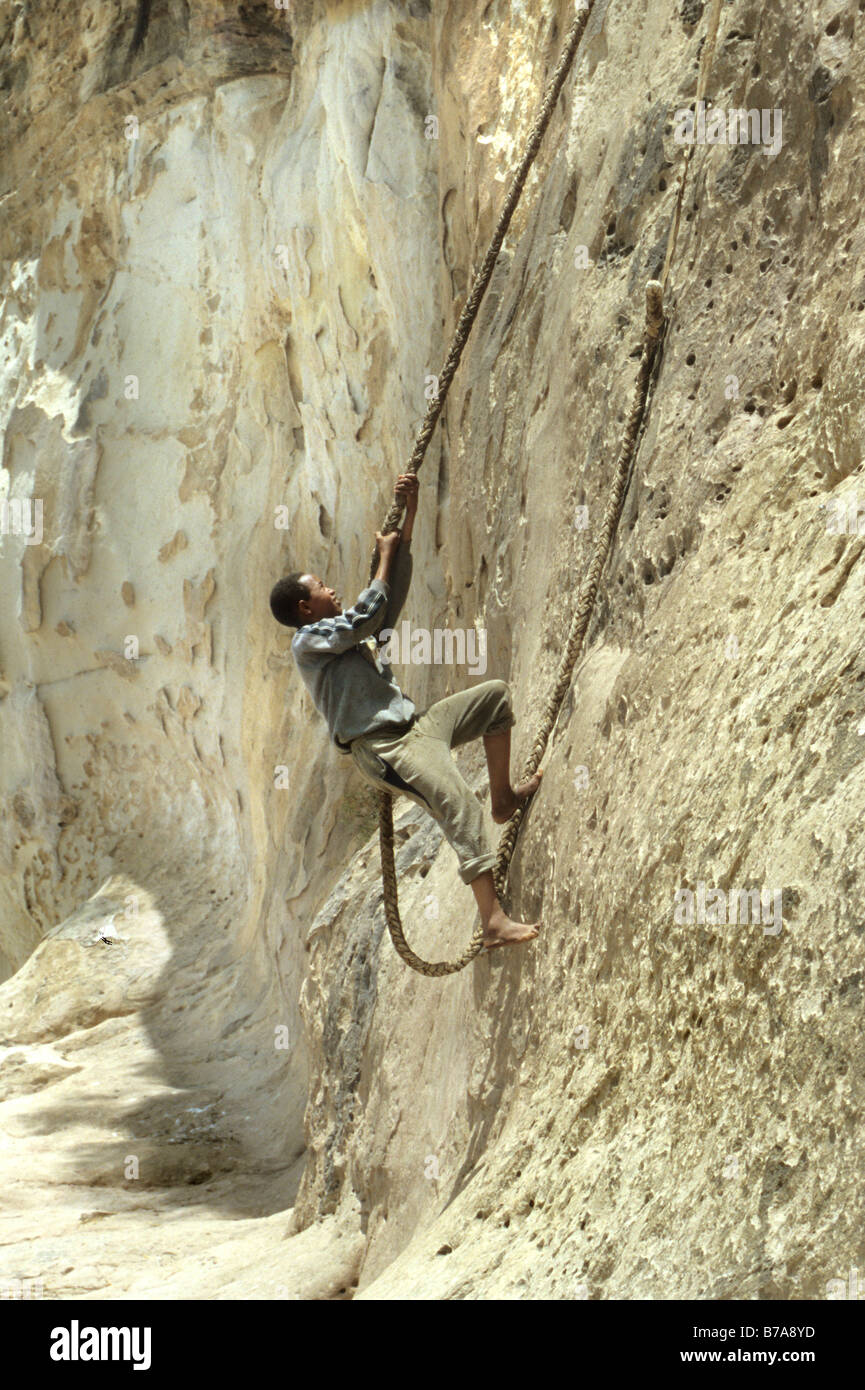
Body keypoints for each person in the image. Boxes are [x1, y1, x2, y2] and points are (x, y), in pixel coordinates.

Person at [269, 473, 542, 950]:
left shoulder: (344, 631)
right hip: (385, 747)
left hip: (415, 727)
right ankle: (492, 920)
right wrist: (387, 555)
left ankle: (503, 798)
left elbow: (386, 598)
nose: (332, 591)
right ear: (303, 608)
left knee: (495, 697)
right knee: (457, 800)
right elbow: (367, 614)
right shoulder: (309, 642)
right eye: (323, 588)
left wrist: (408, 514)